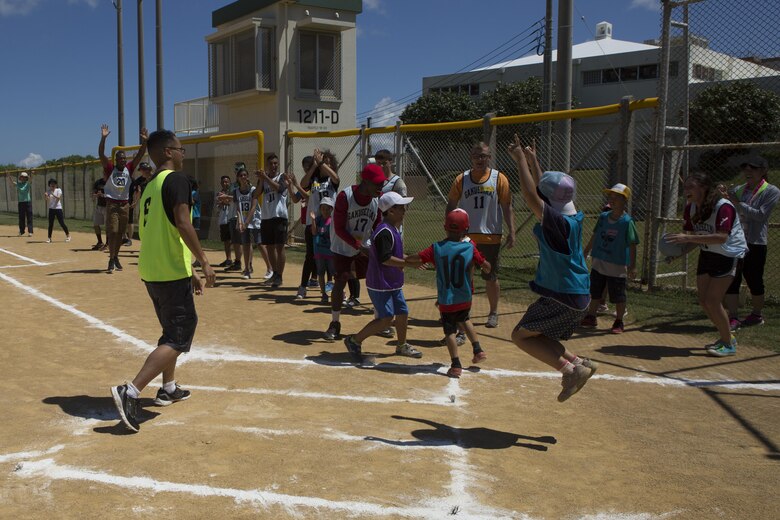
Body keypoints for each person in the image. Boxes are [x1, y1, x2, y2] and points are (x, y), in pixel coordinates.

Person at [110, 129, 216, 433]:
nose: (183, 153)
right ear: (168, 152)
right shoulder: (176, 179)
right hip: (169, 273)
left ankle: (168, 387)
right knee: (179, 337)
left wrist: (190, 270)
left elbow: (163, 231)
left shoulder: (151, 184)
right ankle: (130, 390)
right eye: (180, 148)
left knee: (171, 331)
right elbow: (182, 223)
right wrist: (205, 261)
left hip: (155, 270)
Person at [507, 135, 597, 402]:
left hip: (563, 294)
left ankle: (570, 369)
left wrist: (521, 161)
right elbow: (548, 189)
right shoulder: (573, 215)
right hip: (577, 293)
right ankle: (579, 363)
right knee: (538, 334)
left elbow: (530, 194)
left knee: (520, 336)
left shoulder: (557, 223)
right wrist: (535, 162)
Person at [666, 171, 748, 357]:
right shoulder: (691, 208)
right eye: (685, 186)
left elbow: (721, 237)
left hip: (727, 254)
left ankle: (728, 344)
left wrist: (688, 237)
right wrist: (677, 254)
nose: (685, 190)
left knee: (713, 301)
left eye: (690, 186)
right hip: (708, 253)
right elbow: (694, 239)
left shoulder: (722, 206)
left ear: (703, 188)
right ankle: (727, 336)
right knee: (704, 301)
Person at [406, 209, 492, 378]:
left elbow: (417, 258)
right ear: (465, 230)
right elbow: (485, 264)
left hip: (447, 299)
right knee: (465, 319)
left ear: (445, 228)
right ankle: (478, 349)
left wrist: (406, 259)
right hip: (464, 296)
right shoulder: (469, 247)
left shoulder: (436, 248)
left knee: (450, 331)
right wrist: (486, 266)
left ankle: (456, 364)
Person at [343, 191, 422, 364]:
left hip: (392, 282)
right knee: (386, 319)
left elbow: (394, 252)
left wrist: (410, 259)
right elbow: (385, 259)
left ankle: (401, 345)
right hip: (381, 284)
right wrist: (408, 264)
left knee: (402, 312)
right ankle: (354, 340)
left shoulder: (392, 229)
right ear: (391, 211)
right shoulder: (384, 232)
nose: (404, 210)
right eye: (401, 207)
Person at [446, 141, 516, 329]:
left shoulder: (499, 178)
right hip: (466, 237)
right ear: (471, 157)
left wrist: (512, 230)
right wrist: (450, 228)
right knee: (465, 278)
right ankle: (463, 314)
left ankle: (493, 312)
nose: (480, 159)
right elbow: (452, 203)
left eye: (483, 155)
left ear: (489, 157)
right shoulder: (462, 179)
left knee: (490, 277)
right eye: (476, 155)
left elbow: (507, 206)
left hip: (491, 236)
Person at [323, 164, 384, 340]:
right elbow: (340, 229)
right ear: (365, 182)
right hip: (343, 245)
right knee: (341, 281)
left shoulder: (376, 199)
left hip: (363, 245)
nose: (380, 187)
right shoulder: (345, 196)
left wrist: (377, 246)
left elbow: (378, 225)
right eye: (377, 183)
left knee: (375, 280)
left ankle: (380, 321)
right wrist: (359, 246)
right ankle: (335, 323)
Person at [724, 156, 779, 329]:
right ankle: (733, 317)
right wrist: (725, 194)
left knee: (754, 279)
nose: (748, 172)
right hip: (735, 241)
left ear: (763, 171)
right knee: (732, 278)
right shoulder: (739, 190)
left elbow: (760, 215)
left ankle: (756, 314)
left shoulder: (771, 191)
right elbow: (727, 207)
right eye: (745, 168)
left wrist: (738, 204)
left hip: (755, 242)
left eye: (753, 168)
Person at [580, 183, 639, 334]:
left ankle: (619, 321)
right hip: (599, 260)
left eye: (616, 197)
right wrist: (586, 251)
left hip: (617, 264)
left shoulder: (627, 222)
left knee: (618, 295)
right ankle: (591, 316)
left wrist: (632, 266)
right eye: (610, 196)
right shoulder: (603, 217)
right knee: (595, 291)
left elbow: (633, 244)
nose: (612, 200)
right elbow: (595, 234)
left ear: (624, 200)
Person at [98, 124, 148, 273]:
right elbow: (101, 153)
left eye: (124, 158)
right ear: (116, 159)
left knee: (120, 234)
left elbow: (140, 154)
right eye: (120, 158)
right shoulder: (110, 168)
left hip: (124, 205)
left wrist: (145, 141)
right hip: (112, 204)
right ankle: (111, 258)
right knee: (112, 231)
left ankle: (115, 257)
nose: (122, 160)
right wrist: (103, 138)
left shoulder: (129, 168)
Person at [297, 150, 340, 299]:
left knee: (332, 256)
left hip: (330, 224)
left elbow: (335, 177)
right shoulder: (314, 177)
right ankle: (302, 287)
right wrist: (314, 166)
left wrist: (322, 163)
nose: (324, 164)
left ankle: (335, 289)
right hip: (313, 222)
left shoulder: (332, 181)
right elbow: (303, 184)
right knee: (311, 256)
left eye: (328, 162)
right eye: (323, 161)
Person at [256, 154, 290, 288]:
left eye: (275, 163)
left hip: (279, 216)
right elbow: (256, 194)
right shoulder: (264, 179)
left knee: (279, 246)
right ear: (267, 165)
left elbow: (280, 189)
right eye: (271, 164)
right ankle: (274, 273)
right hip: (266, 216)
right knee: (269, 247)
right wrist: (260, 179)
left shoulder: (281, 176)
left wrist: (265, 178)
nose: (273, 166)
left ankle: (280, 276)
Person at [232, 168, 255, 279]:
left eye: (245, 175)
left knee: (259, 244)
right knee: (245, 244)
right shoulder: (236, 192)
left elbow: (253, 207)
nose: (243, 177)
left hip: (254, 221)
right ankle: (247, 268)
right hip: (243, 221)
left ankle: (270, 269)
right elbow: (237, 208)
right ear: (238, 178)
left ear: (248, 176)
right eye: (241, 175)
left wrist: (247, 221)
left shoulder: (253, 190)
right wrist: (240, 221)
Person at [313, 197, 336, 304]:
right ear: (320, 209)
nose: (325, 211)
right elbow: (313, 232)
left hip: (331, 252)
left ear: (331, 209)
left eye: (328, 208)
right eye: (323, 208)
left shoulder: (333, 221)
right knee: (321, 273)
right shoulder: (318, 220)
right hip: (319, 251)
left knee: (334, 273)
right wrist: (313, 220)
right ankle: (323, 294)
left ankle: (338, 293)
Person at [126, 162, 153, 246]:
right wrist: (135, 202)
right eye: (141, 170)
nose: (141, 172)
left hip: (154, 204)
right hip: (145, 205)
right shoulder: (139, 181)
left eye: (142, 170)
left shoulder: (155, 178)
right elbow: (138, 193)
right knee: (143, 222)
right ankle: (146, 242)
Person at [214, 175, 234, 268]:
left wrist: (225, 200)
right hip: (223, 219)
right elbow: (218, 205)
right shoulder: (219, 193)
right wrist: (223, 201)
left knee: (234, 241)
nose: (225, 184)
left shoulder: (233, 192)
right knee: (226, 240)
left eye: (227, 182)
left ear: (230, 183)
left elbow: (231, 201)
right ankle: (228, 259)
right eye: (223, 182)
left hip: (232, 218)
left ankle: (237, 260)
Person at [44, 178, 71, 243]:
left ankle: (68, 236)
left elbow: (58, 198)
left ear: (56, 185)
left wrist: (52, 194)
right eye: (51, 184)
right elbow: (47, 200)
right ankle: (49, 238)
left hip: (58, 209)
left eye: (54, 184)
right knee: (50, 224)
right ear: (49, 185)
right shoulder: (48, 191)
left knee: (61, 223)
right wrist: (46, 196)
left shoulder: (58, 190)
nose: (52, 185)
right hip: (51, 209)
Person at [7, 171, 33, 236]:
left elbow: (30, 179)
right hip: (21, 203)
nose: (23, 178)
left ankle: (30, 231)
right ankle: (21, 231)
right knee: (21, 217)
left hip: (28, 202)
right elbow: (12, 183)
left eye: (24, 177)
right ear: (20, 178)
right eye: (22, 177)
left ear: (26, 178)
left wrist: (32, 174)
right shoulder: (18, 184)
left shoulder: (28, 183)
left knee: (29, 217)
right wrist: (9, 176)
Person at [91, 177, 107, 250]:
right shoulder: (98, 182)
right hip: (99, 206)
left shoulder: (112, 182)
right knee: (96, 224)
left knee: (108, 226)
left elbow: (114, 195)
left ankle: (108, 244)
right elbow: (93, 193)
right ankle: (100, 242)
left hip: (108, 207)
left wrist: (103, 195)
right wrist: (95, 195)